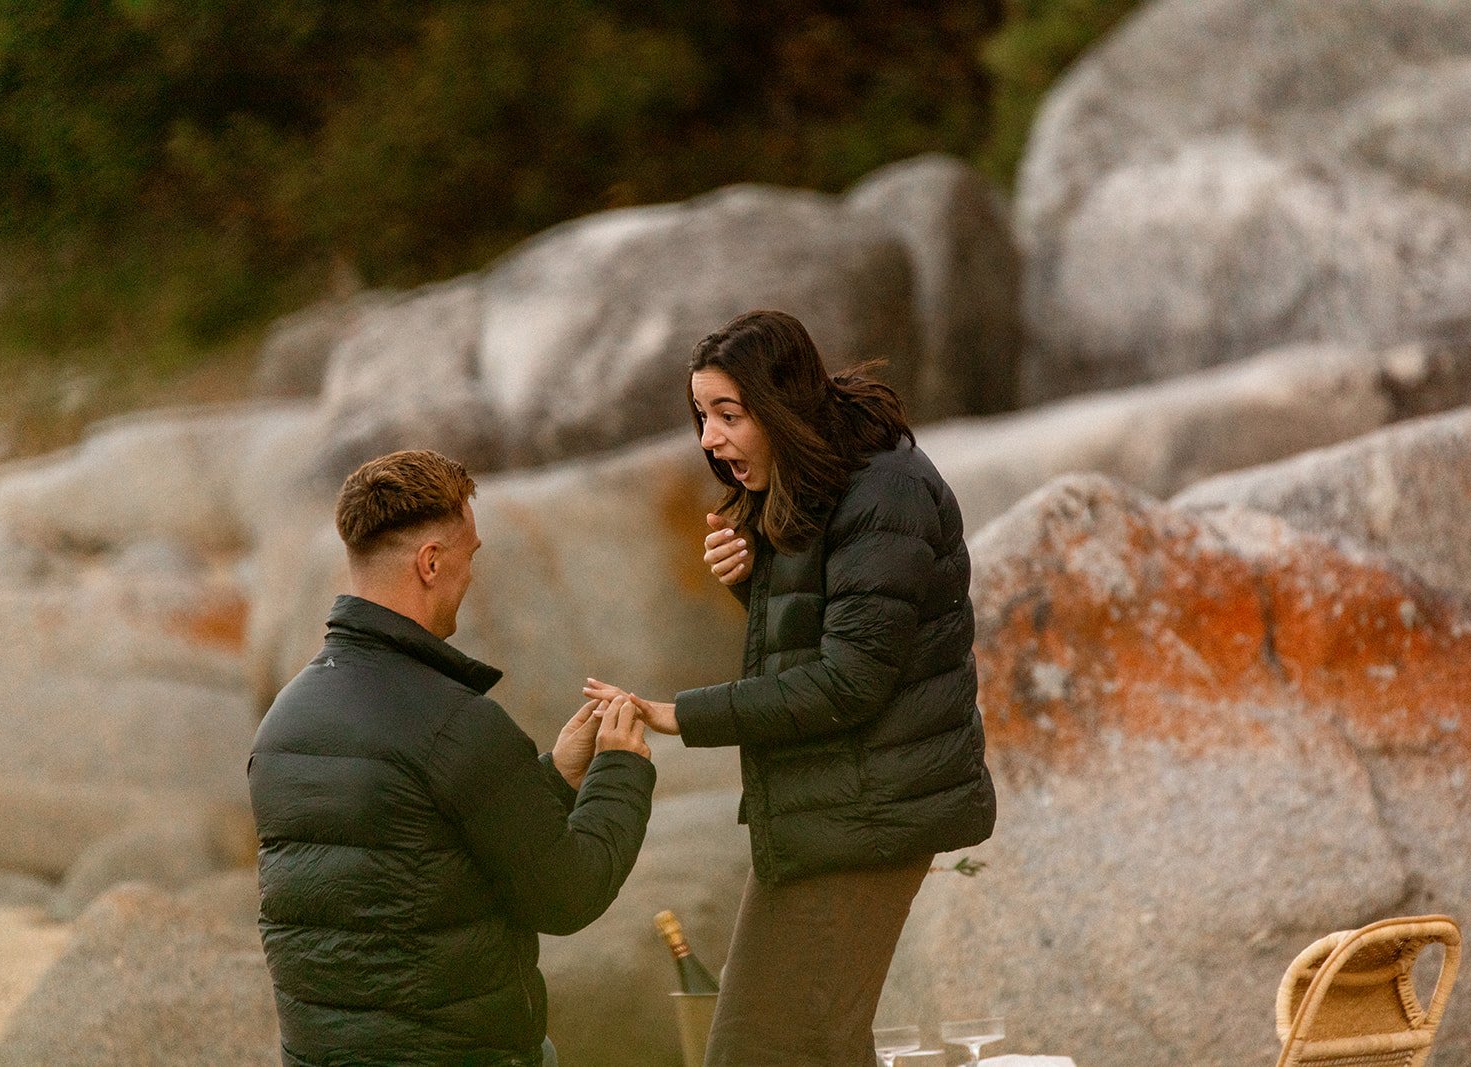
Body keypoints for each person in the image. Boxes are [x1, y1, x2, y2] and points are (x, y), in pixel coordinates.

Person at [586, 310, 996, 1067]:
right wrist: (756, 583)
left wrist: (681, 715)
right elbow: (835, 640)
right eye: (702, 417)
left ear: (780, 407)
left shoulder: (886, 493)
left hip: (871, 815)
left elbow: (849, 683)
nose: (709, 439)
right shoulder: (821, 484)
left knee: (767, 1050)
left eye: (728, 415)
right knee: (805, 1048)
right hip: (831, 813)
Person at [249, 449, 655, 1067]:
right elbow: (566, 895)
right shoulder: (456, 725)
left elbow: (422, 851)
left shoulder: (282, 722)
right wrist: (621, 768)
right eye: (471, 555)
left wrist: (556, 775)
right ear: (432, 562)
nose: (471, 575)